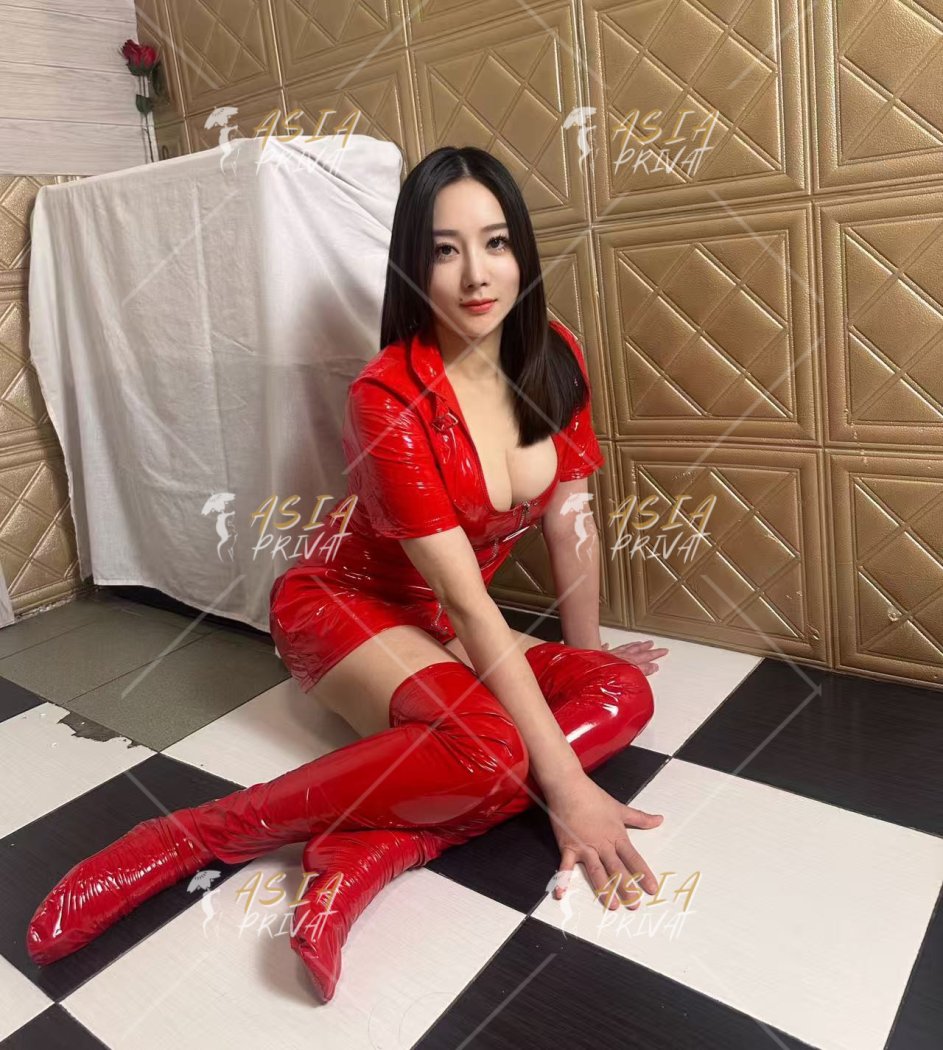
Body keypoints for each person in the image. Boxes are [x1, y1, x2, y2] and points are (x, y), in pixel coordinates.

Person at [25, 146, 669, 1004]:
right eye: (444, 251)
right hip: (347, 603)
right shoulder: (387, 395)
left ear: (522, 250)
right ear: (411, 267)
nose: (476, 275)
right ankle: (196, 835)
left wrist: (584, 658)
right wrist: (564, 787)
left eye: (495, 243)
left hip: (442, 619)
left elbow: (569, 518)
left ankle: (383, 844)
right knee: (491, 751)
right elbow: (465, 602)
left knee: (620, 690)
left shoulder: (554, 353)